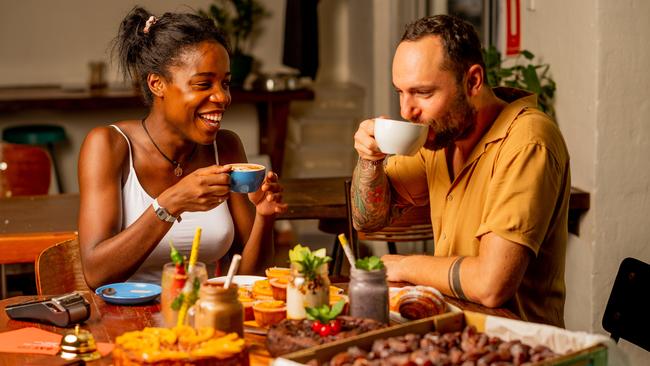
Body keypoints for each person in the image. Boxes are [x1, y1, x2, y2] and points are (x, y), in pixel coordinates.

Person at [351, 15, 570, 327]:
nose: (406, 111)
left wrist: (405, 265)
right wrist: (370, 159)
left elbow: (491, 286)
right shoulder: (441, 137)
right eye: (401, 92)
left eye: (423, 93)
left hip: (517, 345)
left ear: (473, 81)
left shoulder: (528, 140)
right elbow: (367, 219)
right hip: (455, 330)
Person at [78, 7, 287, 288]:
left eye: (225, 83)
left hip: (207, 320)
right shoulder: (109, 145)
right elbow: (95, 273)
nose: (222, 97)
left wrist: (264, 217)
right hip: (128, 325)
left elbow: (252, 277)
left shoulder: (225, 147)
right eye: (203, 84)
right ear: (157, 84)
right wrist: (171, 203)